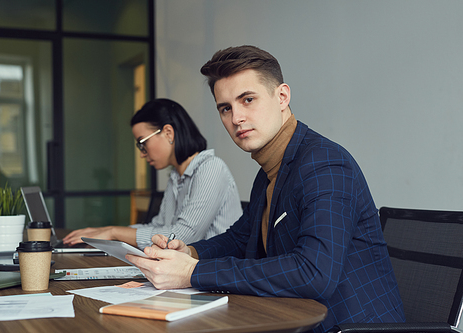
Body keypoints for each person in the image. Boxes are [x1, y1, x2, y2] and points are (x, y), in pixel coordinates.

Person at [126, 46, 405, 332]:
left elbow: (314, 272)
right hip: (289, 318)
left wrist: (193, 273)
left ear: (282, 96)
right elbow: (239, 238)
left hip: (347, 325)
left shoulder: (325, 165)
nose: (236, 118)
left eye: (247, 99)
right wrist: (191, 253)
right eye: (226, 108)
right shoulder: (270, 171)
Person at [63, 98, 242, 249]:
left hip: (216, 278)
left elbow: (182, 237)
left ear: (168, 132)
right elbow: (158, 227)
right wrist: (102, 232)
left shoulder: (211, 168)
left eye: (142, 143)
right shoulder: (176, 177)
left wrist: (113, 232)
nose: (142, 153)